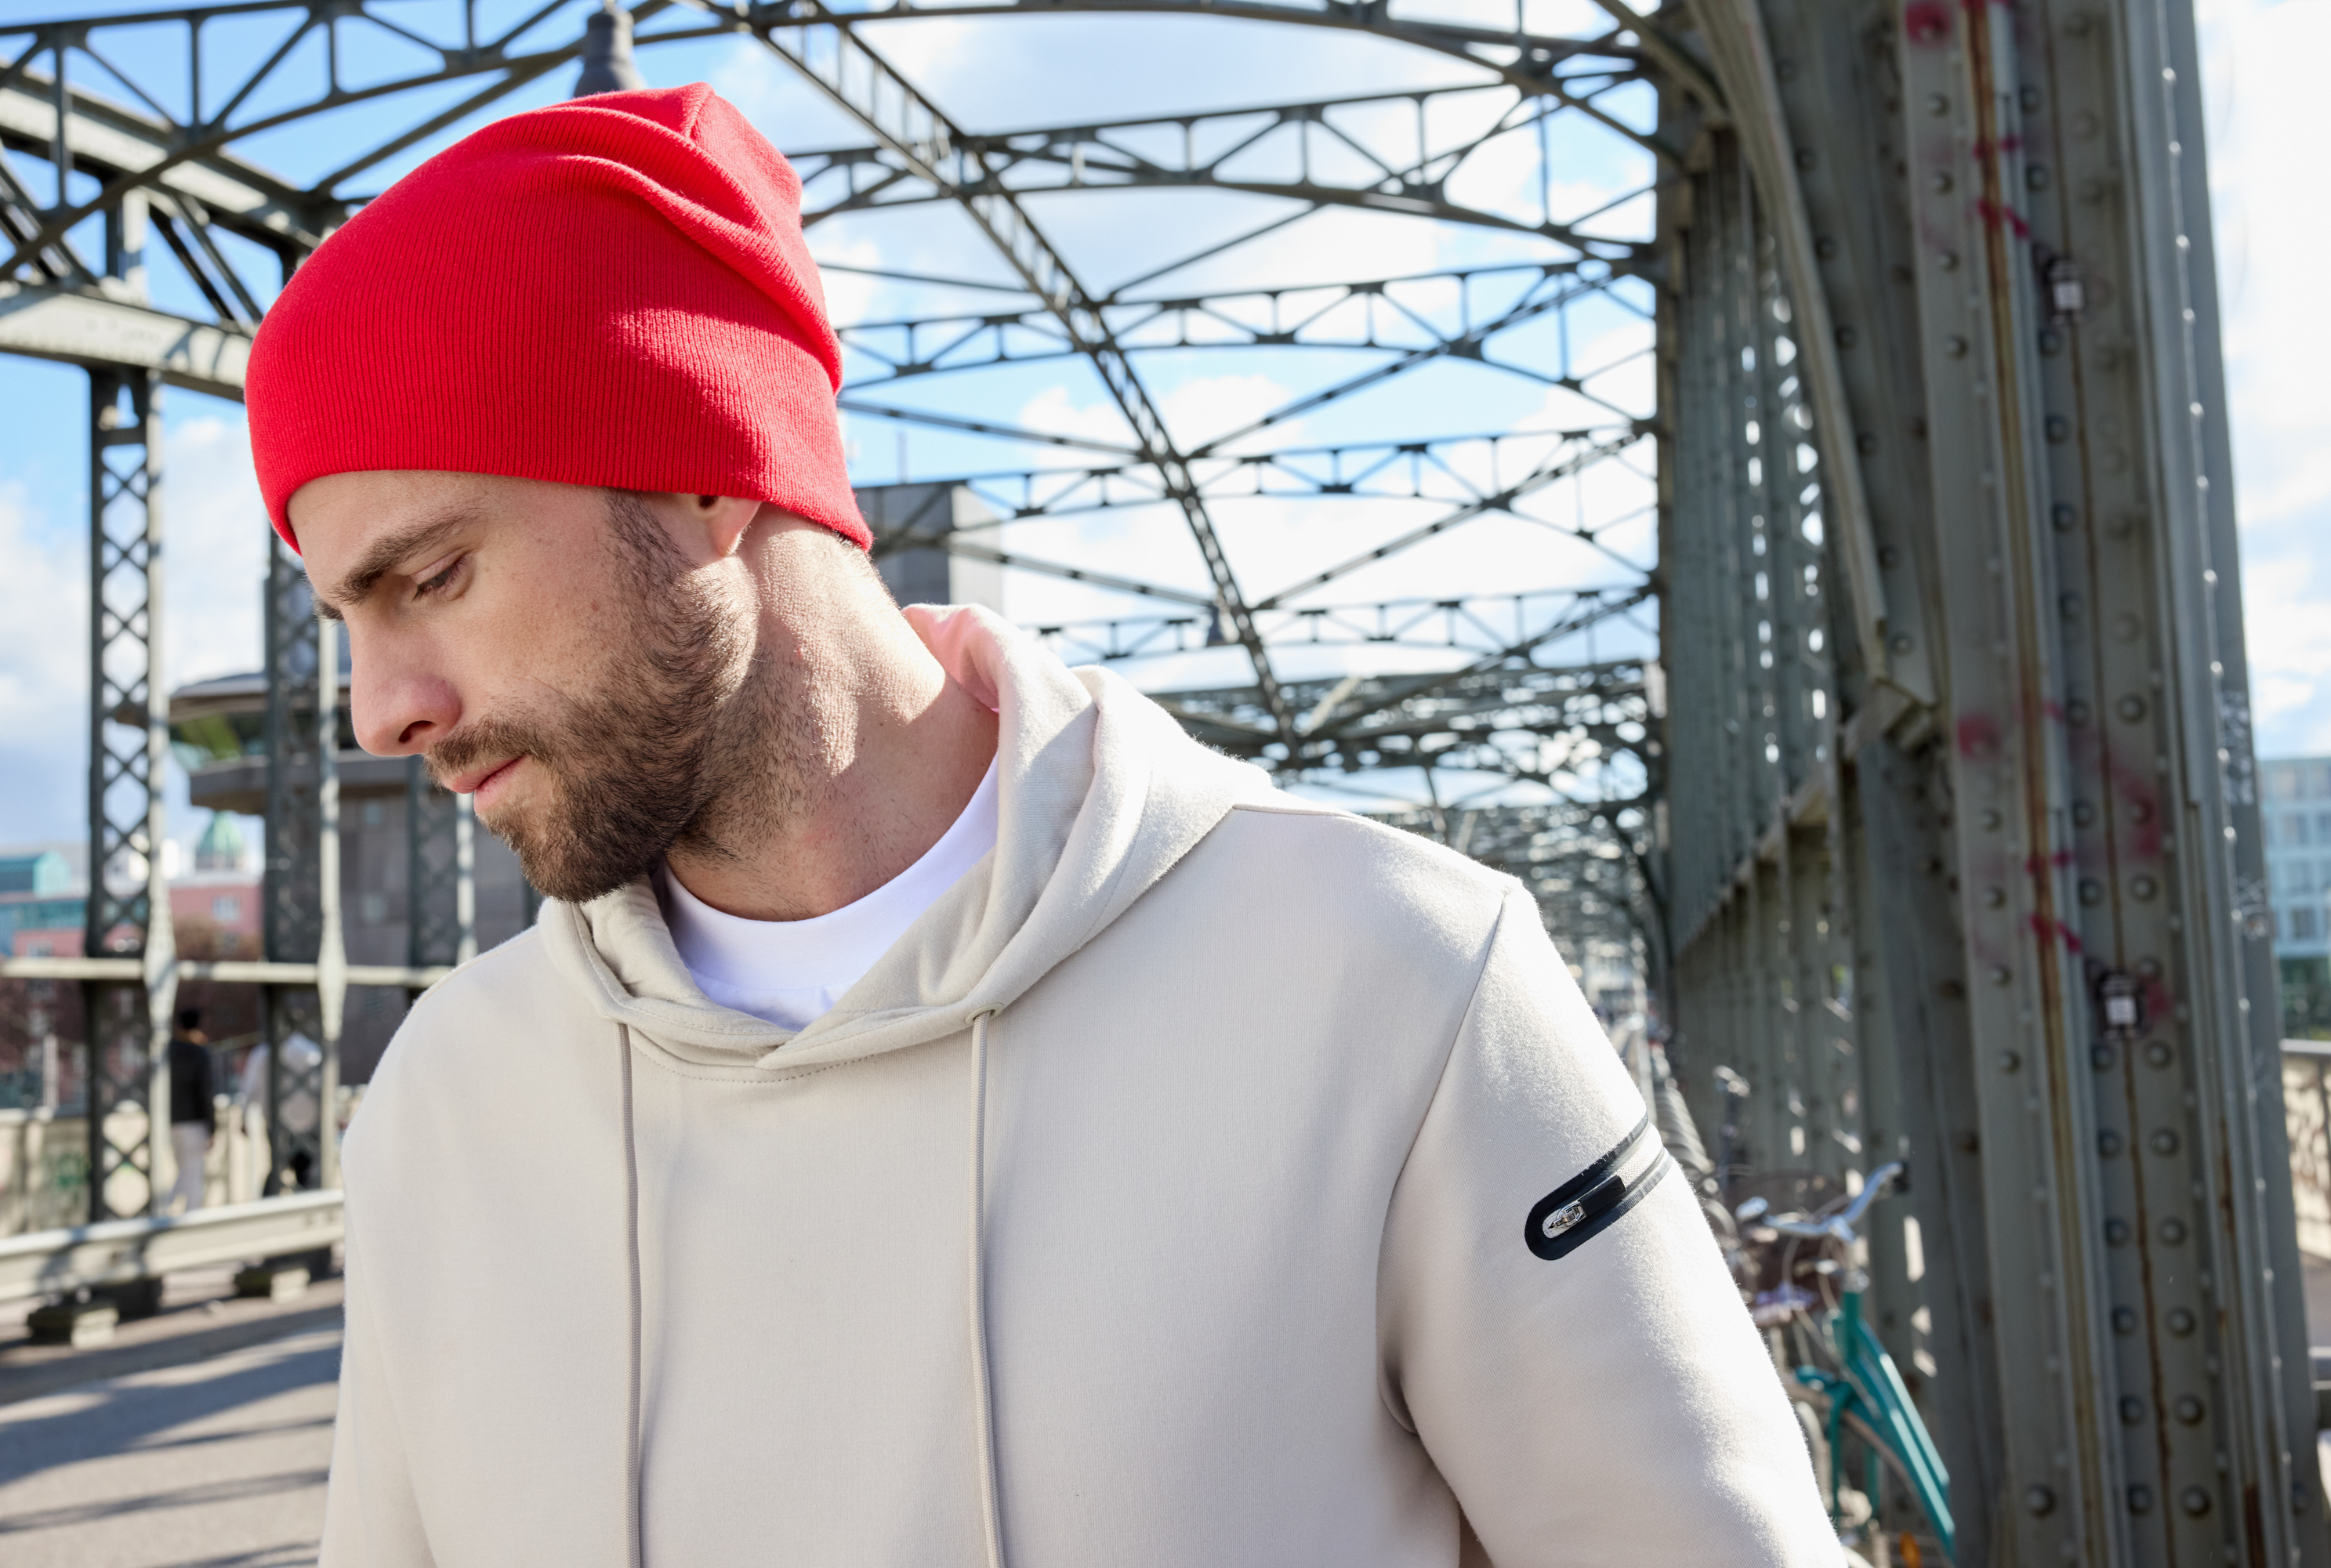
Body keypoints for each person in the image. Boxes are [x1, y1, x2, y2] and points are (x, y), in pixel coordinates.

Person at [248, 85, 1838, 1566]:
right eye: (343, 621)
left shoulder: (1393, 983)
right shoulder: (448, 1108)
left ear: (700, 471)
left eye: (433, 576)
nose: (379, 711)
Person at [168, 1007, 215, 1213]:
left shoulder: (168, 1051)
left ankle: (162, 1208)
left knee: (184, 1172)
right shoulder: (199, 1053)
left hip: (171, 1121)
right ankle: (190, 1218)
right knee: (193, 1175)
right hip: (195, 1123)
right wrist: (212, 1127)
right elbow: (205, 1092)